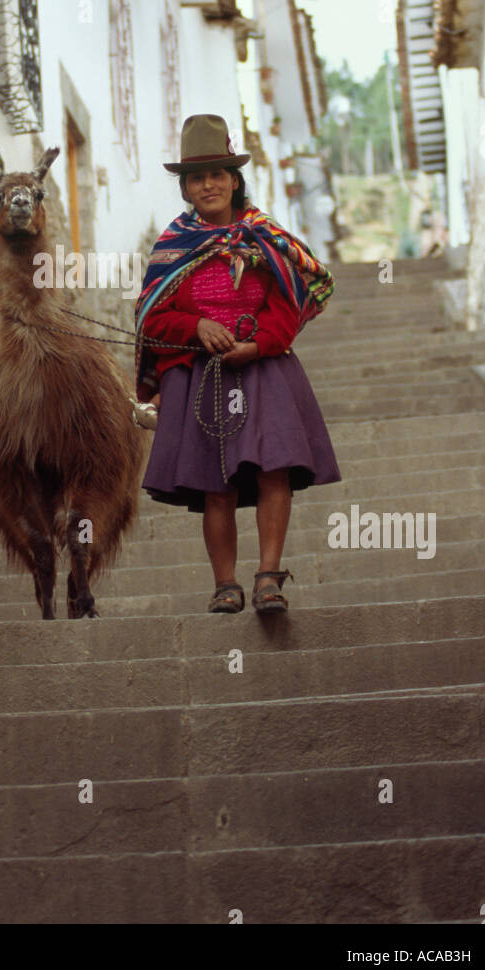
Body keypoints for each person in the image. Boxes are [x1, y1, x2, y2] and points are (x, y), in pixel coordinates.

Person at [134, 114, 342, 614]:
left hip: (263, 366)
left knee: (273, 470)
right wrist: (196, 328)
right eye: (197, 178)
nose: (208, 185)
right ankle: (224, 583)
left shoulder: (264, 235)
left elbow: (289, 302)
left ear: (234, 180)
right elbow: (152, 316)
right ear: (185, 187)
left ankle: (269, 577)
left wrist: (262, 343)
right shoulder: (173, 244)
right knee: (215, 482)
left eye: (218, 175)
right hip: (198, 375)